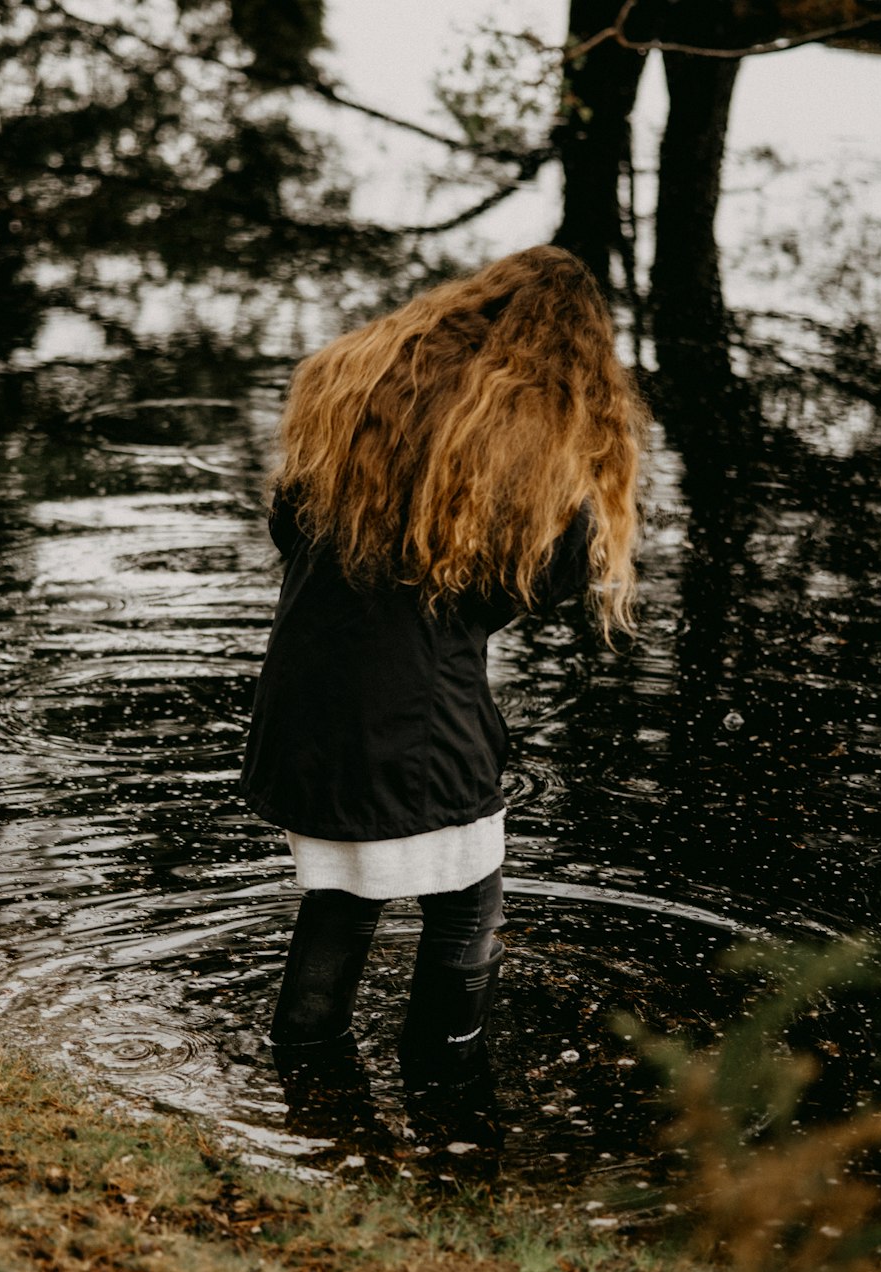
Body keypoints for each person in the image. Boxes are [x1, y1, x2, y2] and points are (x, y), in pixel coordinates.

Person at [240, 244, 646, 1095]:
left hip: (302, 698)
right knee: (467, 905)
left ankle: (305, 1089)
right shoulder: (520, 441)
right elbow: (526, 587)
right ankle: (448, 1087)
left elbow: (290, 525)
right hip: (417, 721)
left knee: (340, 898)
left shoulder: (357, 384)